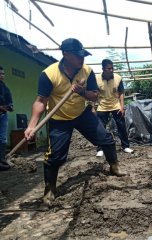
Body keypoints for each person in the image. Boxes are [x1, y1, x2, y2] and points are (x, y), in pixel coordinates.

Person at [24, 38, 126, 206]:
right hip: (59, 119)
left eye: (83, 55)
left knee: (106, 139)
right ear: (65, 54)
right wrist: (31, 125)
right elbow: (41, 101)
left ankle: (114, 167)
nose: (82, 59)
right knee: (54, 156)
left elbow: (94, 95)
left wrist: (82, 92)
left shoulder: (86, 71)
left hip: (81, 114)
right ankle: (49, 190)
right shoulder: (49, 74)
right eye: (78, 56)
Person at [95, 59, 133, 157]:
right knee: (100, 128)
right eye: (109, 68)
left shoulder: (118, 78)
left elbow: (121, 93)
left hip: (115, 105)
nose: (111, 70)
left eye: (112, 68)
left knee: (121, 126)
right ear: (103, 69)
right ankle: (100, 149)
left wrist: (122, 106)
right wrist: (93, 106)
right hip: (102, 106)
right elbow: (94, 93)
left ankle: (125, 146)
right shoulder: (96, 78)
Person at [0, 66, 13, 171]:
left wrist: (9, 106)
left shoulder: (5, 88)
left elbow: (10, 102)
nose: (2, 76)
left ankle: (2, 160)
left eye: (3, 74)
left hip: (3, 115)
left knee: (2, 138)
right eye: (0, 74)